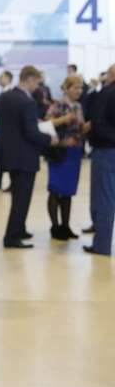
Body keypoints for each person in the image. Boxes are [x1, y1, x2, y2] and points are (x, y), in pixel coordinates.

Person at [0, 66, 58, 248]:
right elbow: (31, 133)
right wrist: (50, 139)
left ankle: (20, 229)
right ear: (29, 79)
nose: (37, 87)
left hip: (10, 154)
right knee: (22, 199)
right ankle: (12, 237)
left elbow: (8, 124)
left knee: (18, 195)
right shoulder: (27, 102)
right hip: (25, 157)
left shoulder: (5, 97)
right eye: (37, 82)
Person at [45, 75, 88, 240]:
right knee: (56, 190)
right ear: (67, 88)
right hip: (59, 152)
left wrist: (86, 127)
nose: (79, 91)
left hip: (74, 152)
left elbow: (79, 128)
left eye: (81, 88)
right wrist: (63, 137)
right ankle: (55, 227)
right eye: (76, 87)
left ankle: (65, 226)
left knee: (68, 191)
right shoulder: (57, 104)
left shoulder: (78, 106)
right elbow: (47, 125)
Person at [85, 63, 115, 255]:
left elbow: (97, 122)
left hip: (107, 151)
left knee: (104, 198)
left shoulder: (107, 93)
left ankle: (102, 245)